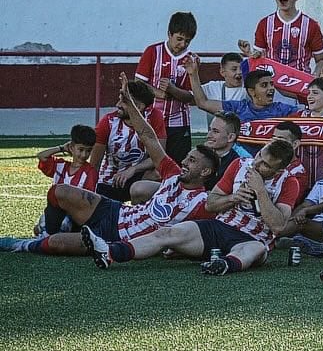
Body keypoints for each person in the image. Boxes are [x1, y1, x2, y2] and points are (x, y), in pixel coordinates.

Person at [1, 84, 215, 257]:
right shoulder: (172, 172)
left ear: (205, 172)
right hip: (114, 209)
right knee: (60, 190)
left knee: (56, 244)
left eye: (192, 161)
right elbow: (148, 137)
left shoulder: (203, 202)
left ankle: (21, 245)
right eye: (187, 157)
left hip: (116, 236)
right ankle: (54, 226)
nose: (185, 162)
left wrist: (177, 251)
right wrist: (131, 106)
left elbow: (202, 234)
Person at [82, 137, 298, 275]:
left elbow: (278, 226)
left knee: (254, 249)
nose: (258, 164)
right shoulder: (240, 164)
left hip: (253, 238)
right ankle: (110, 252)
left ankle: (223, 265)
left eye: (266, 165)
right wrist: (233, 198)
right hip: (219, 228)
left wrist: (260, 191)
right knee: (167, 232)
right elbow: (211, 203)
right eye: (259, 156)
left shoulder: (288, 182)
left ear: (279, 170)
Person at [134, 11, 197, 163]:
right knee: (149, 164)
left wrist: (172, 90)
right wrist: (156, 92)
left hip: (179, 123)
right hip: (150, 120)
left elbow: (192, 96)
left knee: (177, 165)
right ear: (169, 33)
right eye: (179, 39)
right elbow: (138, 83)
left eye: (187, 41)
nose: (182, 44)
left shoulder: (192, 59)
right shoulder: (152, 52)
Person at [90, 79, 166, 203]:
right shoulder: (108, 122)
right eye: (119, 99)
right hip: (109, 182)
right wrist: (90, 192)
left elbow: (159, 157)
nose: (118, 104)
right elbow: (94, 165)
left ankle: (140, 216)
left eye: (124, 101)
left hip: (135, 178)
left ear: (139, 106)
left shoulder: (154, 117)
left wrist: (133, 170)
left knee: (157, 173)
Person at [252, 0, 323, 76]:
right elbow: (257, 57)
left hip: (300, 86)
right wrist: (249, 52)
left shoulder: (311, 25)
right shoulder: (264, 24)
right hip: (273, 85)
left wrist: (315, 76)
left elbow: (321, 60)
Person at [184, 58, 299, 124]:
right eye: (264, 85)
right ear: (252, 91)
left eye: (271, 84)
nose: (271, 88)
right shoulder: (238, 108)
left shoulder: (283, 110)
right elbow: (202, 103)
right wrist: (193, 74)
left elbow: (310, 116)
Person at [30, 125, 98, 235]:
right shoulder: (60, 166)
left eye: (88, 151)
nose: (84, 155)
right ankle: (48, 235)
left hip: (74, 217)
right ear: (71, 147)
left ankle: (51, 236)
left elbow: (88, 203)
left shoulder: (90, 172)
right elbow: (41, 156)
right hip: (55, 212)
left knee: (60, 226)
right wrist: (61, 148)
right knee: (38, 228)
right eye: (80, 150)